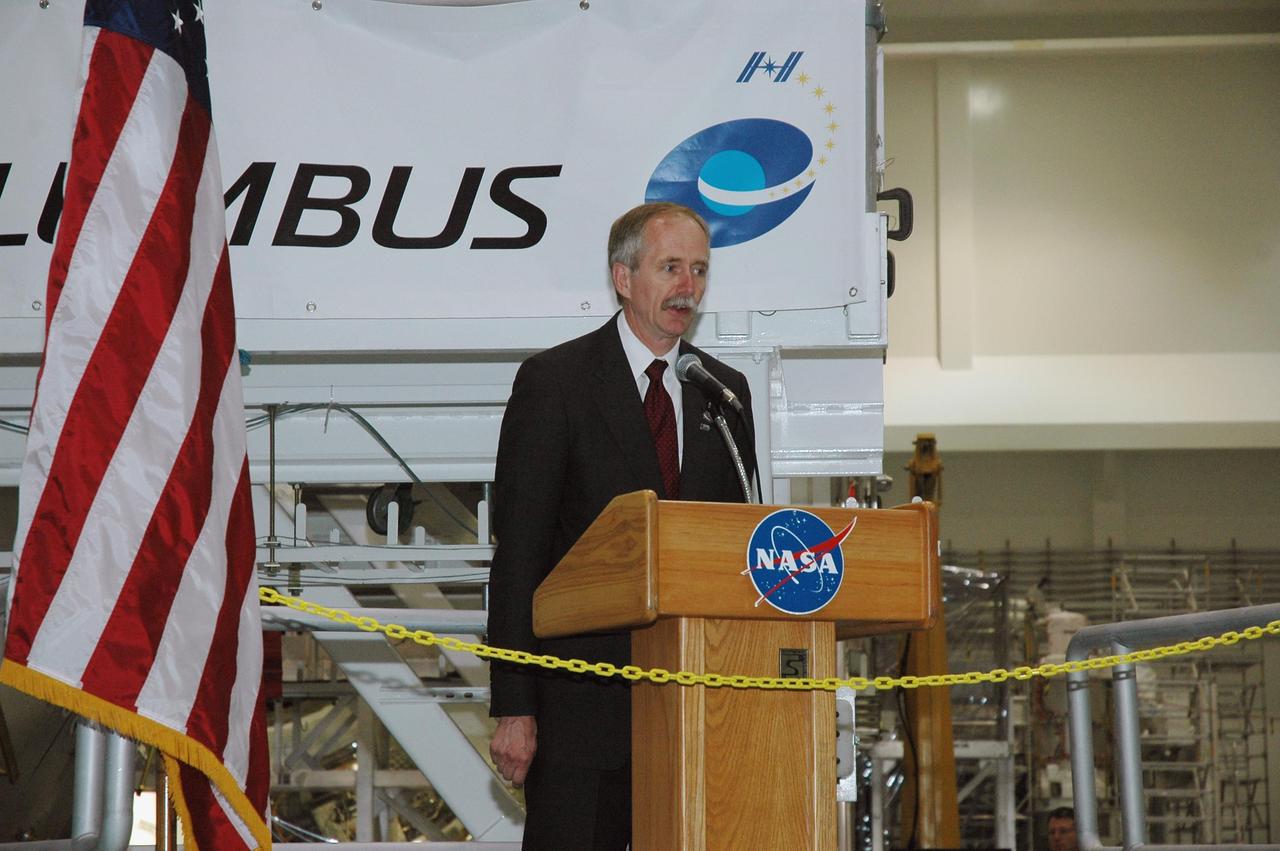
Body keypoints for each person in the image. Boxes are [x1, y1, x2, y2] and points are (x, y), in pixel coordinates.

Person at [486, 201, 756, 850]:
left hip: (694, 709)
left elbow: (735, 552)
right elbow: (518, 552)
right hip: (580, 714)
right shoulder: (556, 382)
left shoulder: (724, 392)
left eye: (698, 269)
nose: (687, 287)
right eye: (670, 268)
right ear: (623, 277)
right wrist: (513, 704)